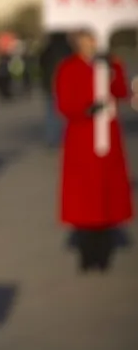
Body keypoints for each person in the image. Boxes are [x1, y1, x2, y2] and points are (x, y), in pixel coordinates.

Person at [54, 29, 133, 272]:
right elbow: (64, 103)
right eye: (86, 37)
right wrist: (86, 109)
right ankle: (87, 256)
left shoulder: (111, 63)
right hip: (82, 141)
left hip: (108, 143)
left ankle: (104, 254)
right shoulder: (68, 67)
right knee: (85, 199)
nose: (90, 42)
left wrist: (111, 72)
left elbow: (122, 91)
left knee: (107, 197)